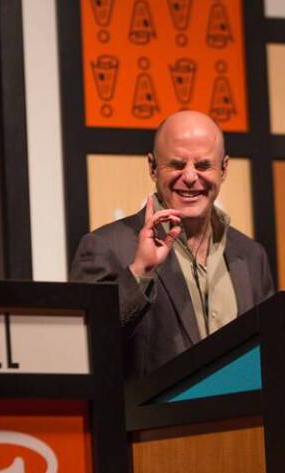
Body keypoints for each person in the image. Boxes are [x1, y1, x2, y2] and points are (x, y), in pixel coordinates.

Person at [70, 110, 274, 379]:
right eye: (177, 165)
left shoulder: (250, 255)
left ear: (224, 168)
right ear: (153, 167)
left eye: (203, 166)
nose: (190, 177)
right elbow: (84, 346)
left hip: (242, 420)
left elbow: (270, 353)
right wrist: (140, 272)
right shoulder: (104, 247)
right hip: (153, 421)